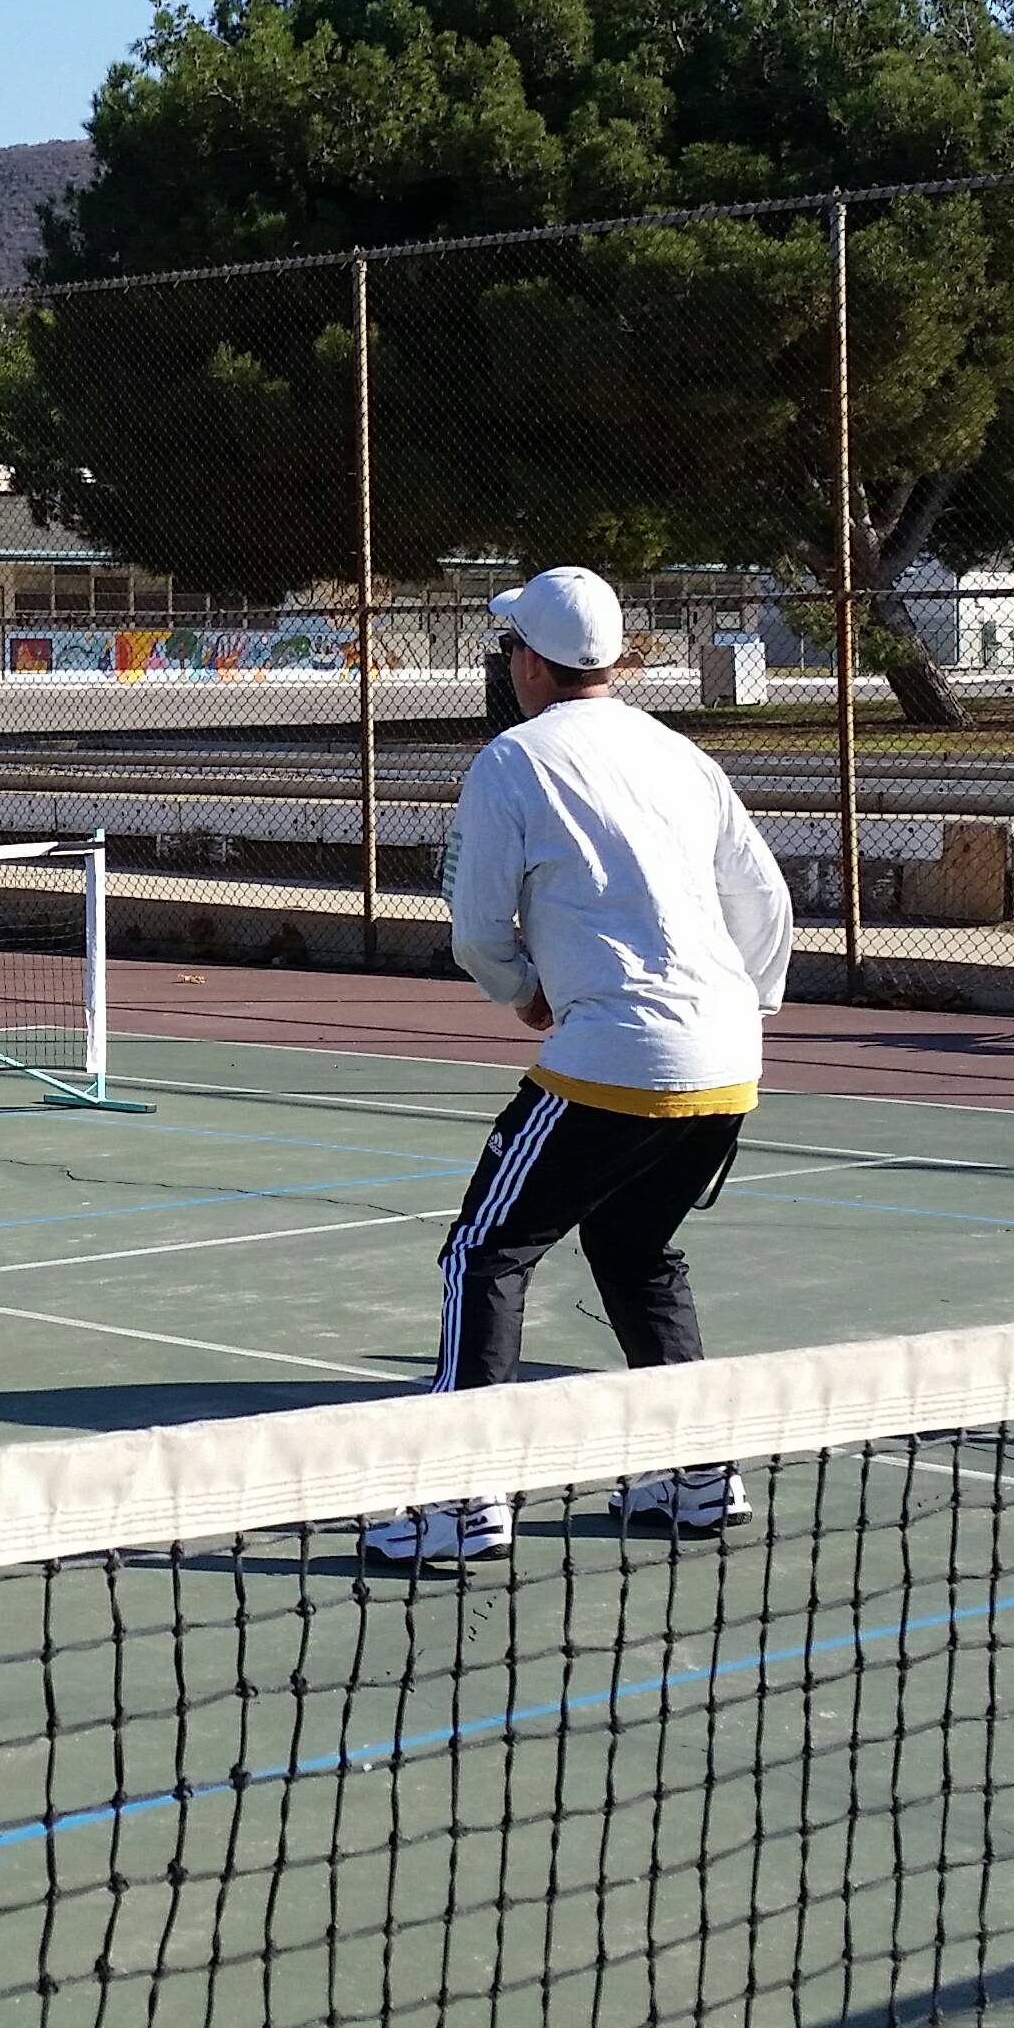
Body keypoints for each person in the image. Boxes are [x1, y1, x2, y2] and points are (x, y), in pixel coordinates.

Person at [373, 565, 796, 1568]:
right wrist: (743, 1012)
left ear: (529, 661)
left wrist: (517, 988)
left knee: (485, 1252)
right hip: (728, 1062)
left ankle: (462, 1496)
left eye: (509, 646)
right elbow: (763, 902)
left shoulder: (509, 762)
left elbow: (476, 927)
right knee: (633, 1248)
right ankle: (699, 1476)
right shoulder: (680, 755)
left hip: (617, 1056)